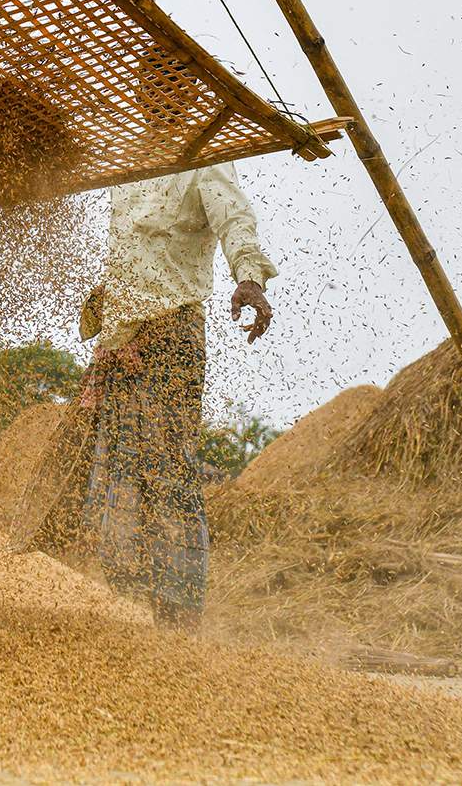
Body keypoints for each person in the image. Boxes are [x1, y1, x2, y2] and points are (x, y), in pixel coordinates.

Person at [78, 160, 275, 626]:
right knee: (114, 475)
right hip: (118, 338)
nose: (151, 93)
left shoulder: (203, 161)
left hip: (171, 335)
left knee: (167, 473)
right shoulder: (127, 167)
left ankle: (178, 617)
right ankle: (126, 606)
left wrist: (249, 277)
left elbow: (235, 218)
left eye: (160, 84)